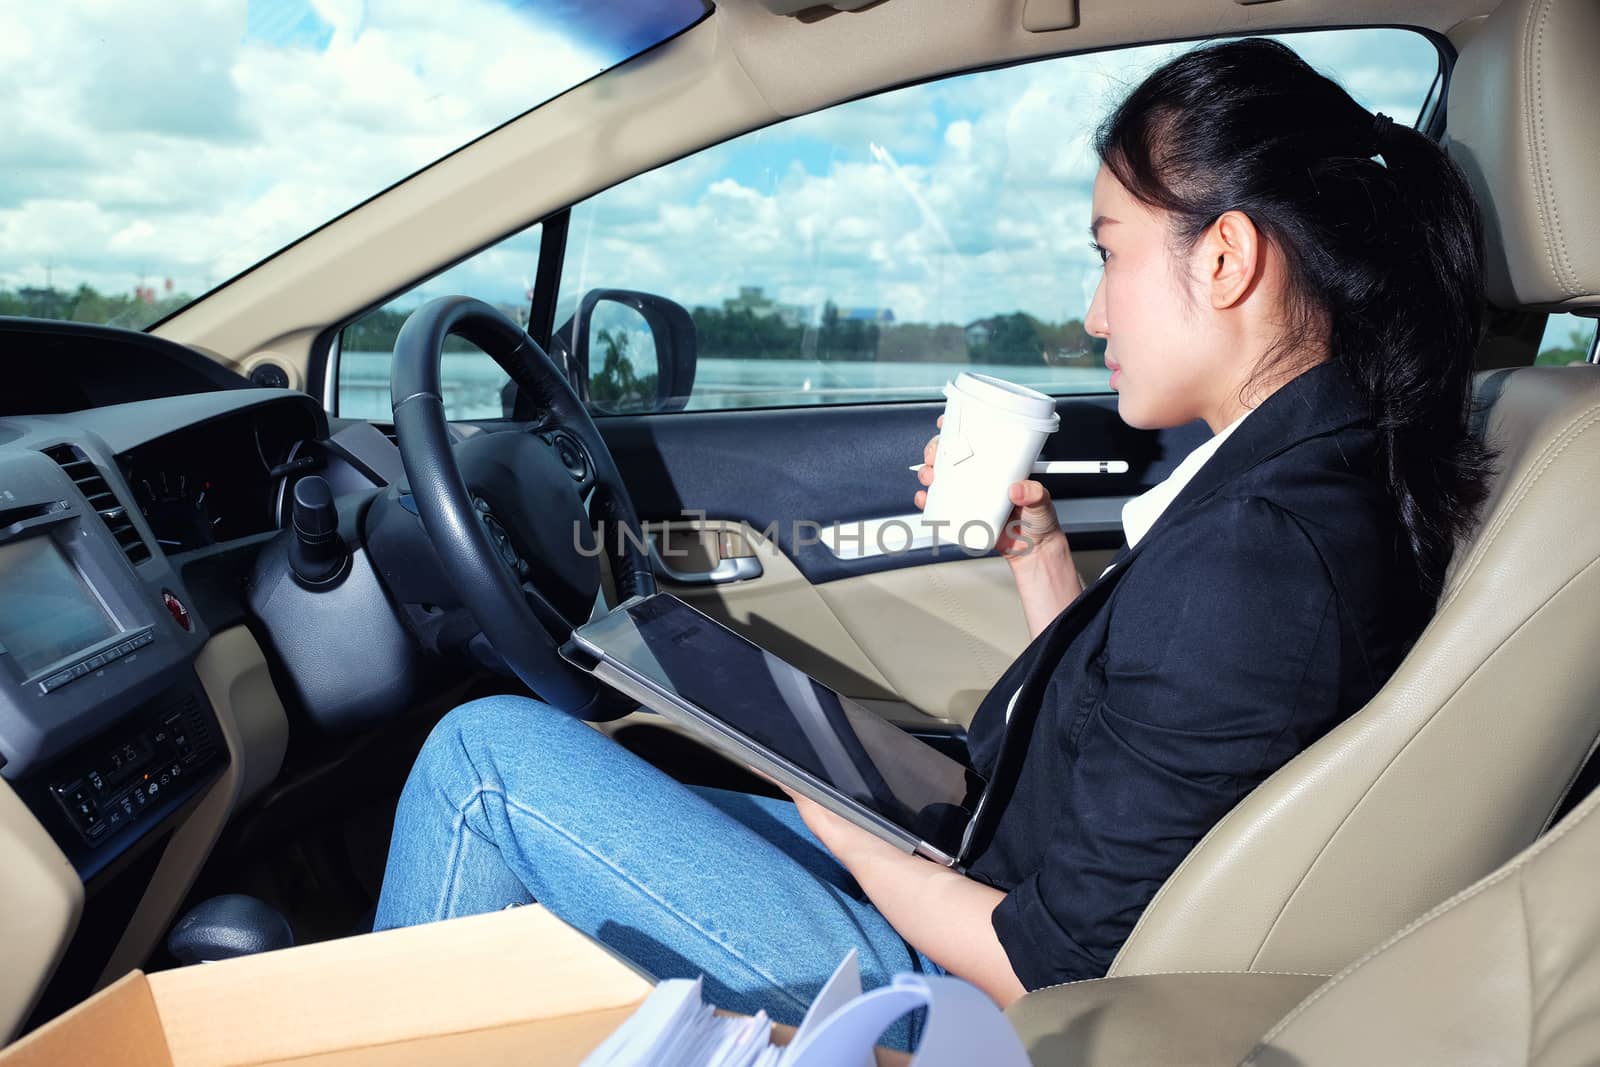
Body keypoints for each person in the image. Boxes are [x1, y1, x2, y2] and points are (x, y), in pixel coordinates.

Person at [372, 36, 1492, 1046]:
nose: (1095, 314)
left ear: (1225, 258)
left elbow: (1040, 964)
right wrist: (1041, 562)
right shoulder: (1300, 471)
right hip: (973, 881)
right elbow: (1134, 746)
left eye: (1108, 253)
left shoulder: (1263, 554)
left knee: (482, 764)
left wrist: (841, 821)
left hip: (958, 981)